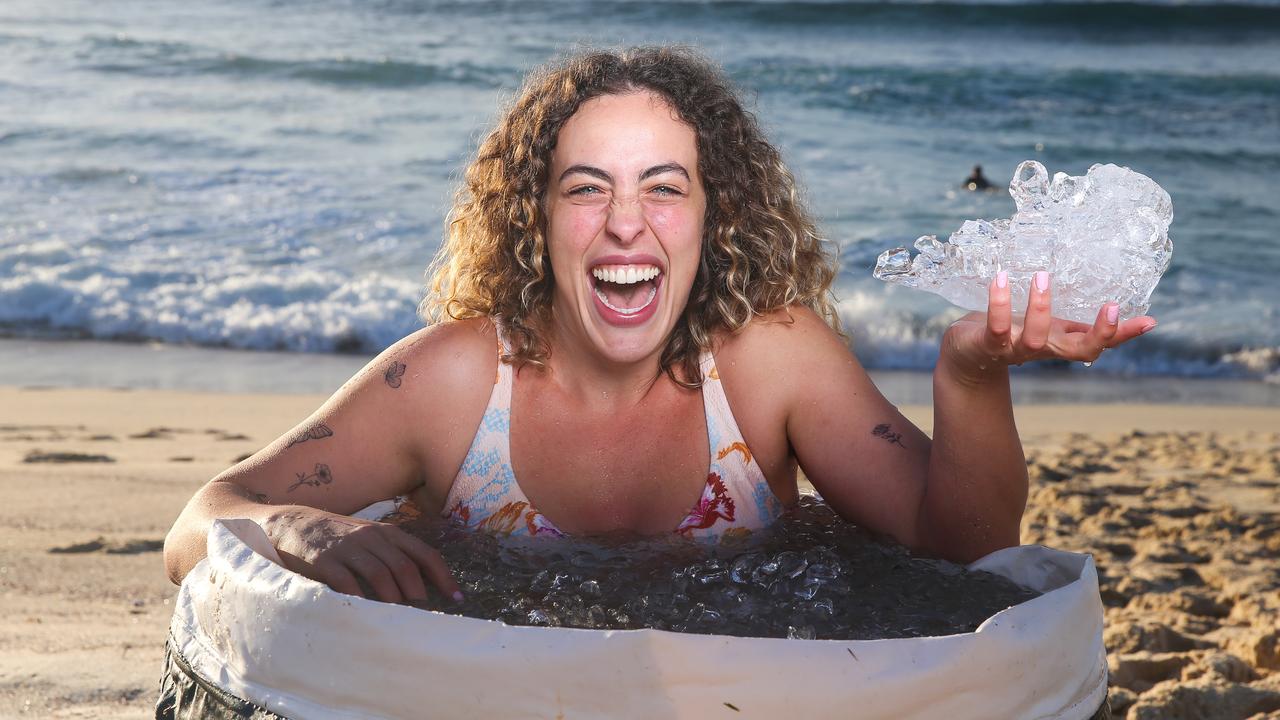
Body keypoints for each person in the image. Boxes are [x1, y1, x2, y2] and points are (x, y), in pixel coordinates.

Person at [163, 47, 1156, 606]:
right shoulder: (457, 380)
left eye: (663, 190)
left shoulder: (769, 361)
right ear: (535, 218)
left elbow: (962, 540)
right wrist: (299, 527)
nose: (626, 223)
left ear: (713, 216)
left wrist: (970, 373)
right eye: (585, 189)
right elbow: (201, 519)